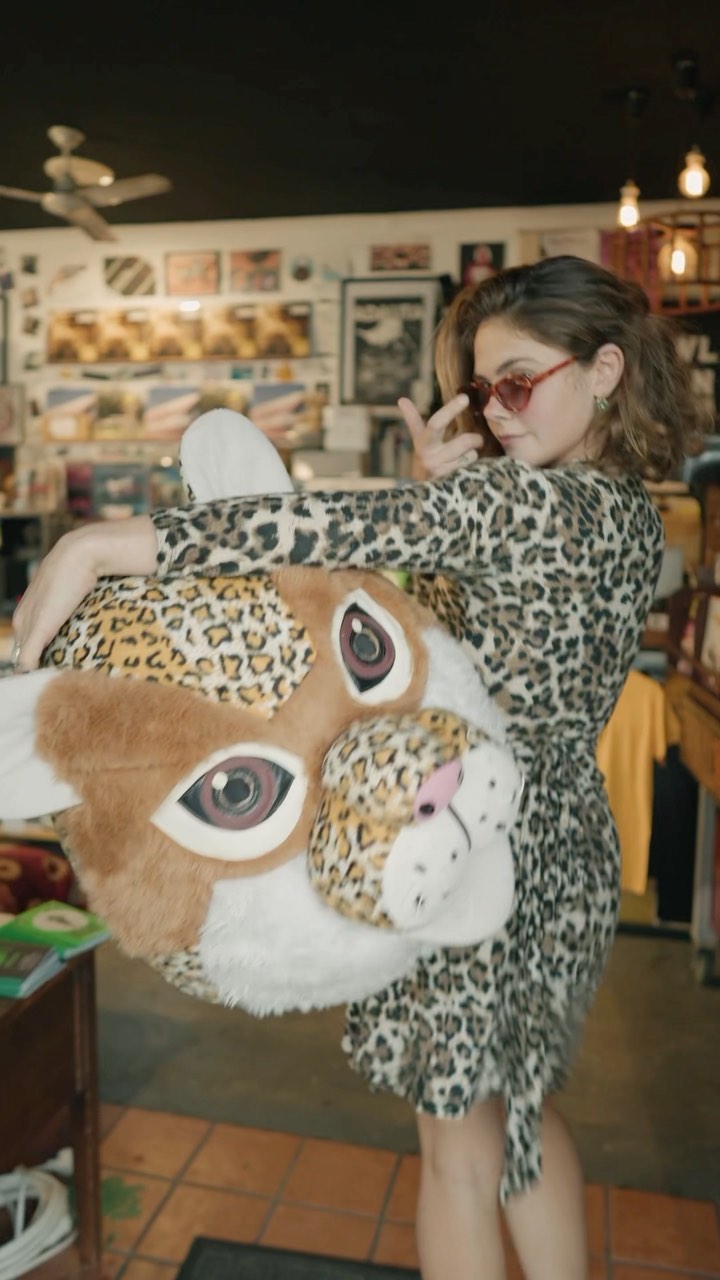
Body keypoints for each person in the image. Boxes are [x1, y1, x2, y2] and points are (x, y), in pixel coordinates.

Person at [12, 255, 708, 1280]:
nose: (495, 410)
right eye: (484, 389)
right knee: (520, 1119)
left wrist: (103, 545)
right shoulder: (624, 510)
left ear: (604, 371)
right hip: (558, 836)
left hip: (455, 827)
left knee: (457, 1152)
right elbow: (465, 617)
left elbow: (327, 526)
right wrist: (444, 500)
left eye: (519, 383)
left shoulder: (519, 505)